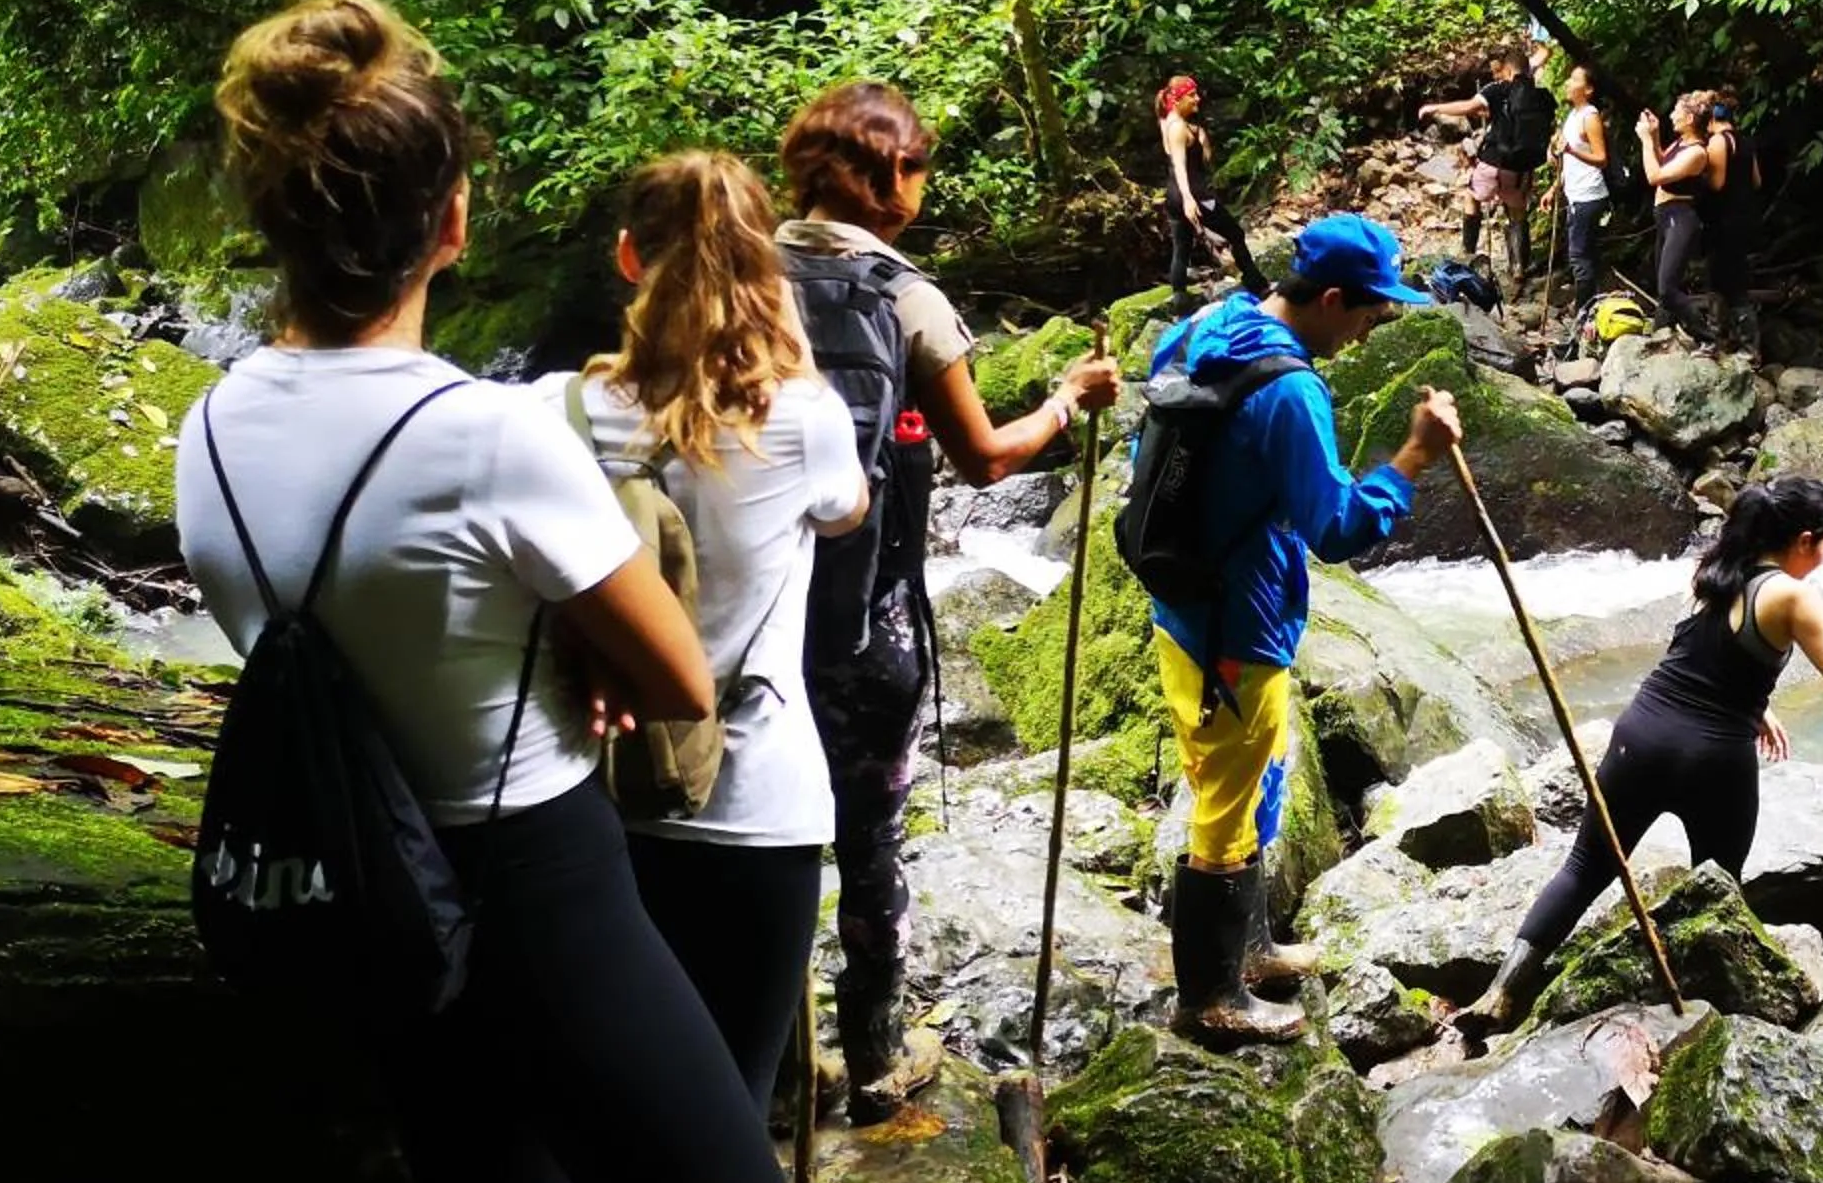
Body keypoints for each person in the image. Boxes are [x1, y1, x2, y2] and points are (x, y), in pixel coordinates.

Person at [180, 0, 807, 1183]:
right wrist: (572, 648)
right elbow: (679, 679)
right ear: (451, 220)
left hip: (360, 891)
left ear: (274, 222)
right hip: (538, 891)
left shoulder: (209, 426)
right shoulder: (489, 433)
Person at [774, 80, 1121, 1120]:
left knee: (767, 837)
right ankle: (875, 1052)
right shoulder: (904, 296)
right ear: (892, 179)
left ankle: (780, 1065)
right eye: (918, 165)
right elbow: (982, 457)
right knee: (868, 833)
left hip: (734, 620)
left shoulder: (730, 275)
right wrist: (1066, 401)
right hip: (863, 614)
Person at [535, 151, 868, 1122]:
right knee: (733, 1108)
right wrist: (786, 339)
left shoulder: (563, 414)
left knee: (617, 1107)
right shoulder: (803, 419)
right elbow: (846, 513)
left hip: (600, 801)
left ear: (629, 258)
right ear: (766, 270)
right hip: (763, 807)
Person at [1144, 213, 1461, 1044]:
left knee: (1249, 772)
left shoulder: (1210, 324)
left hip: (1184, 599)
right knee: (1226, 794)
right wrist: (1413, 459)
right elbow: (1336, 529)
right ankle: (1210, 996)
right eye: (1367, 314)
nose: (1367, 332)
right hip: (1236, 622)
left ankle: (1250, 950)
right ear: (1328, 299)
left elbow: (1159, 392)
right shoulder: (1290, 389)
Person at [1460, 478, 1823, 1032]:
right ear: (1804, 540)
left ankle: (1501, 992)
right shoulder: (1791, 595)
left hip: (1639, 738)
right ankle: (1716, 1013)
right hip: (1712, 762)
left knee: (1584, 868)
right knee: (1718, 886)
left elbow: (1702, 654)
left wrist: (1756, 704)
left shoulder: (1715, 570)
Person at [1416, 47, 1549, 287]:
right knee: (1517, 212)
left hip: (1493, 163)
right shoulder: (1539, 95)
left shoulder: (1496, 89)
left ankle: (1468, 253)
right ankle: (1518, 266)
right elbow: (1541, 56)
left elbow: (1467, 107)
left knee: (1471, 198)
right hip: (1521, 169)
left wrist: (1435, 108)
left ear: (1507, 69)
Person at [1158, 74, 1268, 313]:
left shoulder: (1168, 122)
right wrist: (1189, 199)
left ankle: (1179, 298)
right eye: (1191, 96)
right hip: (1194, 195)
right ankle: (1255, 282)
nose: (1197, 99)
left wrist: (1200, 135)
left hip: (1173, 196)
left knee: (1182, 247)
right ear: (1177, 100)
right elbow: (1179, 165)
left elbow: (1202, 157)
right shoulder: (1178, 128)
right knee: (1235, 233)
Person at [1636, 92, 1716, 340]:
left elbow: (1655, 176)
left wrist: (1646, 140)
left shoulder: (1697, 153)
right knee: (1664, 290)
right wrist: (1656, 134)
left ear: (1690, 118)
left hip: (1680, 218)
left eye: (1676, 111)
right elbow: (1662, 161)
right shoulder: (1681, 143)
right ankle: (1661, 337)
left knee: (1667, 288)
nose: (1671, 115)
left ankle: (1708, 338)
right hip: (1665, 217)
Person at [1700, 89, 1765, 356]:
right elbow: (1757, 181)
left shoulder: (1718, 142)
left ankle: (1721, 340)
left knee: (1720, 282)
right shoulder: (1745, 141)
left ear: (1711, 119)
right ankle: (1743, 345)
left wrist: (1700, 173)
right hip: (1744, 216)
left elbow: (1716, 183)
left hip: (1723, 219)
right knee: (1736, 281)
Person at [1548, 65, 1614, 309]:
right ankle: (1594, 307)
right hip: (1575, 193)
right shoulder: (1574, 115)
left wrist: (1570, 150)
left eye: (1574, 79)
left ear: (1588, 89)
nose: (1567, 82)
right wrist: (1554, 188)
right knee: (1586, 255)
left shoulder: (1590, 116)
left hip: (1589, 195)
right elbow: (1569, 161)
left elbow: (1601, 158)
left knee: (1579, 257)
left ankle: (1583, 311)